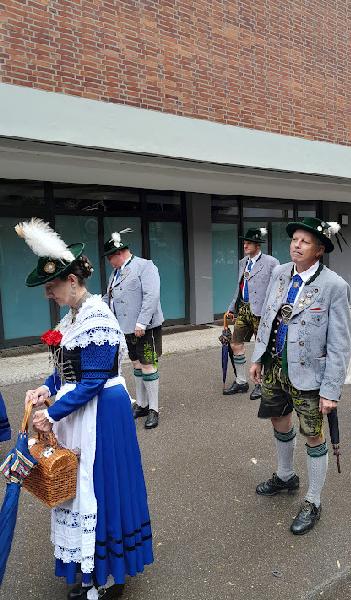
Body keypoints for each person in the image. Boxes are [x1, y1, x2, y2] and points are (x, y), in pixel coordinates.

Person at [16, 218, 153, 600]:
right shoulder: (73, 318)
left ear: (73, 281)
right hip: (83, 411)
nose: (48, 293)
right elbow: (67, 369)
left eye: (52, 285)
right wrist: (45, 389)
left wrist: (52, 414)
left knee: (99, 488)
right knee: (81, 490)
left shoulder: (98, 316)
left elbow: (93, 379)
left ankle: (110, 576)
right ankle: (90, 567)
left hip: (102, 414)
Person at [249, 218, 351, 536]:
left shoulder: (334, 286)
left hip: (310, 374)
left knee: (313, 434)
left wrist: (331, 390)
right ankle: (285, 476)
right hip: (275, 366)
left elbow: (339, 344)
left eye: (305, 241)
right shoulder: (280, 273)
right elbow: (268, 318)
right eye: (295, 239)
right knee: (278, 419)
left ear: (319, 250)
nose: (297, 245)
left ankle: (313, 500)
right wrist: (258, 357)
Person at [103, 231, 164, 429]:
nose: (109, 262)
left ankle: (154, 409)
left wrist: (142, 323)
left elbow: (152, 295)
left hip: (144, 327)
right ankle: (142, 404)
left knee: (148, 365)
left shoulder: (145, 266)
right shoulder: (115, 273)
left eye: (110, 257)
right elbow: (109, 298)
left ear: (119, 253)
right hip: (126, 328)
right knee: (136, 364)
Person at [224, 228, 279, 400]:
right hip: (244, 308)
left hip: (261, 311)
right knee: (235, 343)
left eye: (248, 243)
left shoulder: (271, 262)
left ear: (257, 245)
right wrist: (232, 307)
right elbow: (239, 287)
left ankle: (260, 384)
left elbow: (278, 288)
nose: (245, 246)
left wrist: (273, 310)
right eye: (244, 243)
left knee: (261, 347)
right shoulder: (243, 262)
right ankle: (241, 381)